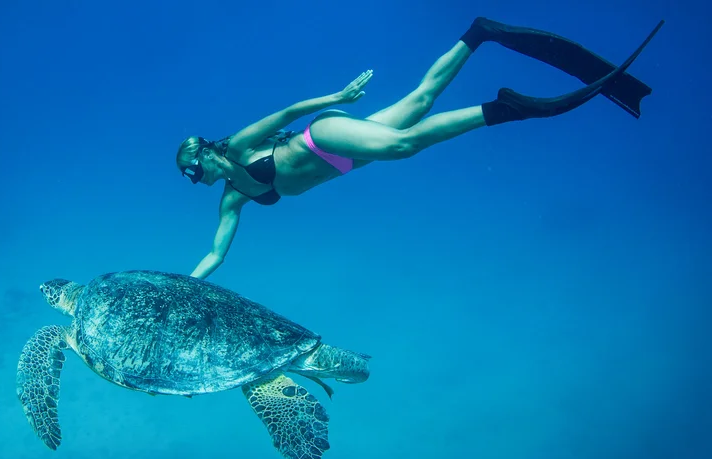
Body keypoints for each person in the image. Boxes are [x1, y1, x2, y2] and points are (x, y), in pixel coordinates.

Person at [175, 17, 665, 280]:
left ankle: (504, 108)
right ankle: (480, 34)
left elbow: (285, 113)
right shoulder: (233, 199)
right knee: (420, 101)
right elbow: (216, 253)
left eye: (192, 172)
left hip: (323, 136)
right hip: (347, 160)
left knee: (405, 144)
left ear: (203, 157)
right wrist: (187, 286)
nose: (195, 181)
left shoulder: (238, 148)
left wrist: (337, 99)